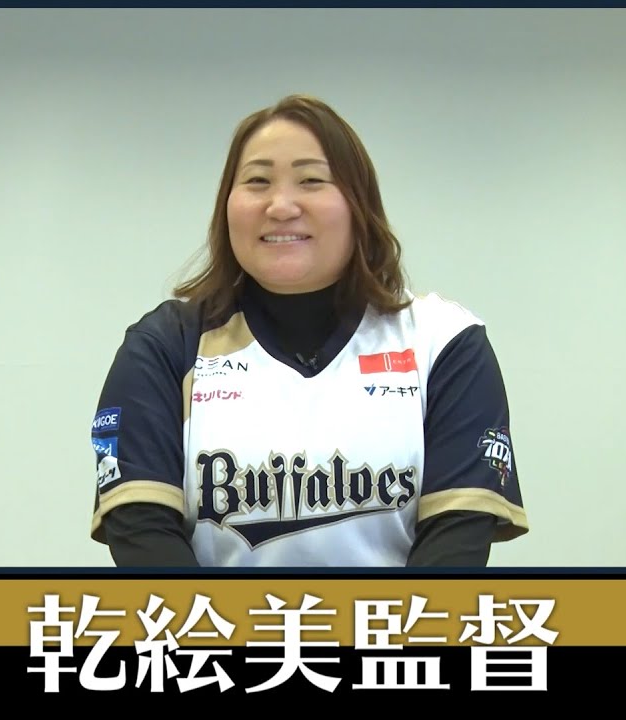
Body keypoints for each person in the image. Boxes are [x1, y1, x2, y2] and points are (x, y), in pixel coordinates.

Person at [88, 94, 529, 567]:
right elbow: (142, 532)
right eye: (257, 181)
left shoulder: (444, 341)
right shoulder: (163, 346)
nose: (280, 206)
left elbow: (457, 541)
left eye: (311, 181)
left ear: (359, 205)